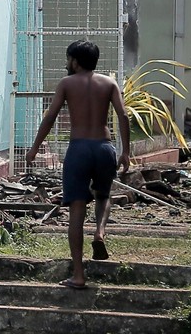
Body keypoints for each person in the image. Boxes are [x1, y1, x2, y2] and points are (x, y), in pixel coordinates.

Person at [25, 39, 130, 290]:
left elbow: (50, 117)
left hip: (79, 148)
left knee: (76, 211)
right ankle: (100, 233)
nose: (67, 63)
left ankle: (79, 275)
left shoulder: (67, 83)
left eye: (68, 58)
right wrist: (125, 151)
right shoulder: (109, 83)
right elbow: (123, 115)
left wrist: (35, 147)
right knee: (104, 196)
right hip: (104, 147)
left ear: (75, 61)